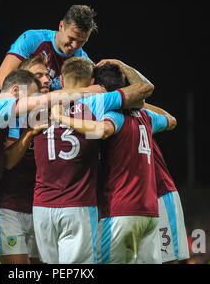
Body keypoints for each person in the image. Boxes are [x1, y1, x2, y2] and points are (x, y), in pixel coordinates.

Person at [0, 69, 105, 264]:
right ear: (16, 90)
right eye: (31, 97)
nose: (33, 107)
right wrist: (86, 91)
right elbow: (44, 101)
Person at [35, 57, 154, 264]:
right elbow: (143, 91)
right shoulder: (99, 102)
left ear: (61, 80)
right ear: (92, 83)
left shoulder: (38, 106)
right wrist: (122, 66)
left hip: (41, 205)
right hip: (77, 203)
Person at [0, 54, 50, 264]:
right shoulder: (10, 115)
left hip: (42, 208)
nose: (45, 80)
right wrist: (30, 134)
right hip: (8, 206)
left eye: (47, 75)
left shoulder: (55, 113)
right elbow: (8, 161)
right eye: (38, 76)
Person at [0, 5, 97, 91]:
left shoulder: (83, 61)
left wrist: (113, 63)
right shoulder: (33, 39)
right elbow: (1, 79)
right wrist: (30, 106)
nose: (74, 46)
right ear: (61, 26)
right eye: (71, 38)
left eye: (81, 42)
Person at [141, 103, 190, 264]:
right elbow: (171, 120)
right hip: (128, 201)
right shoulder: (105, 120)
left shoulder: (143, 116)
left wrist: (138, 101)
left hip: (159, 194)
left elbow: (171, 120)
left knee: (168, 260)